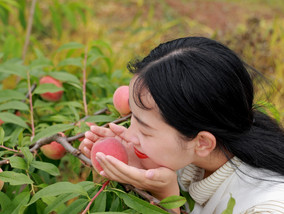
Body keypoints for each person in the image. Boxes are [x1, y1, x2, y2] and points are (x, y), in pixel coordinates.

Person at [79, 36, 284, 214]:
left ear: (203, 143)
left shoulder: (266, 207)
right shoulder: (202, 148)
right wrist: (138, 162)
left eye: (144, 131)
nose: (129, 135)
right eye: (132, 117)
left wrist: (165, 198)